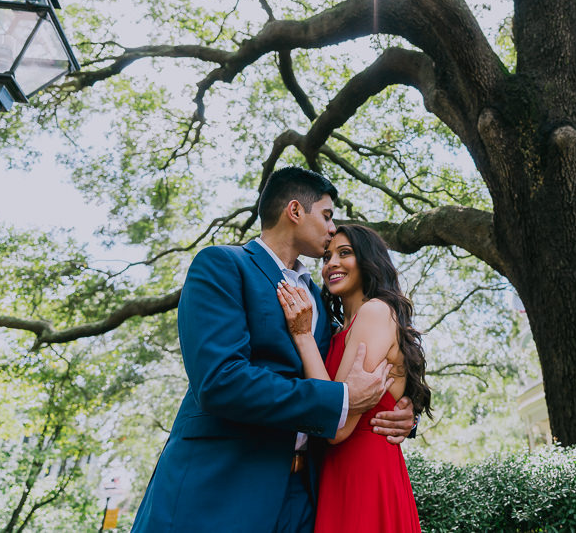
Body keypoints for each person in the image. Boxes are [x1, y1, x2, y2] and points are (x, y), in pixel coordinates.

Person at [132, 167, 416, 533]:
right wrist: (340, 402)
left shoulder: (318, 299)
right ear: (295, 211)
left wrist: (399, 412)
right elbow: (221, 381)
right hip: (222, 488)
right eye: (327, 216)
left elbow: (346, 367)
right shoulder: (223, 265)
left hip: (305, 498)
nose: (332, 228)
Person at [277, 224, 430, 533]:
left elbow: (336, 424)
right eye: (327, 256)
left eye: (344, 253)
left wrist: (303, 337)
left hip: (365, 470)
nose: (331, 263)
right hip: (333, 471)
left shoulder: (375, 312)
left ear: (369, 261)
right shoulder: (335, 330)